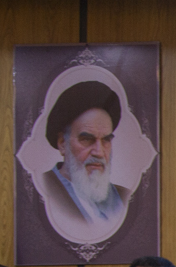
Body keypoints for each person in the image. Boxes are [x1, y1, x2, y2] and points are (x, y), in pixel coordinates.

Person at [37, 80, 131, 235]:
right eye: (87, 139)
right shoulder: (40, 190)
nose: (99, 152)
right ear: (62, 143)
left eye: (106, 140)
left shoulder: (125, 197)